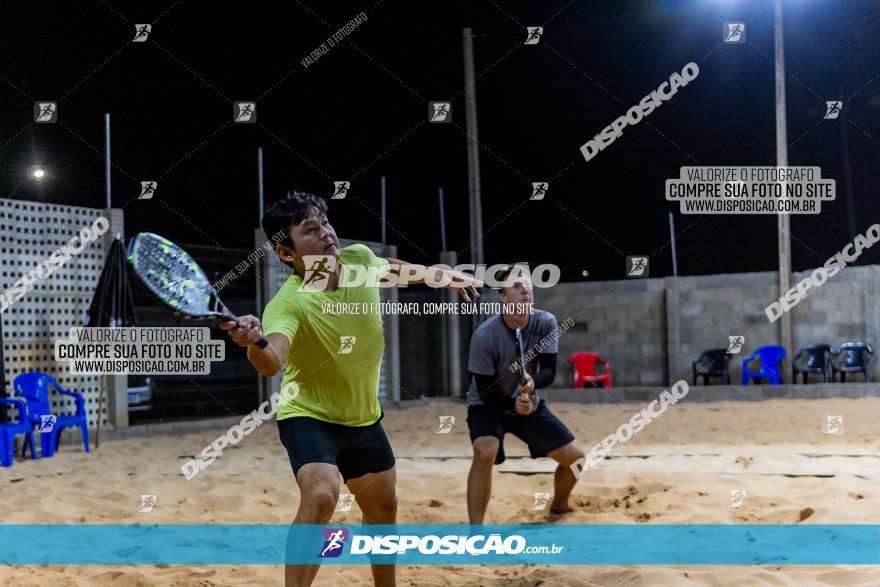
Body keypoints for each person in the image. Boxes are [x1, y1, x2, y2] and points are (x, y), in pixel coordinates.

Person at [221, 191, 480, 587]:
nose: (326, 233)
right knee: (323, 495)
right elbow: (272, 360)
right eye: (311, 230)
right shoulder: (287, 305)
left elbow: (390, 268)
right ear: (286, 253)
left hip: (362, 416)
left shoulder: (357, 259)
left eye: (325, 222)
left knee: (383, 507)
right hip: (308, 417)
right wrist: (253, 343)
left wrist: (439, 275)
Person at [465, 266, 585, 523]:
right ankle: (475, 533)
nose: (525, 289)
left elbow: (550, 371)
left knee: (576, 459)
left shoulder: (546, 322)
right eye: (517, 286)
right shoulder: (484, 336)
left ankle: (559, 506)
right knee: (485, 450)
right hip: (488, 404)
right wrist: (512, 403)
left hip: (528, 402)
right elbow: (486, 391)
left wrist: (531, 385)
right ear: (503, 298)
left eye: (528, 285)